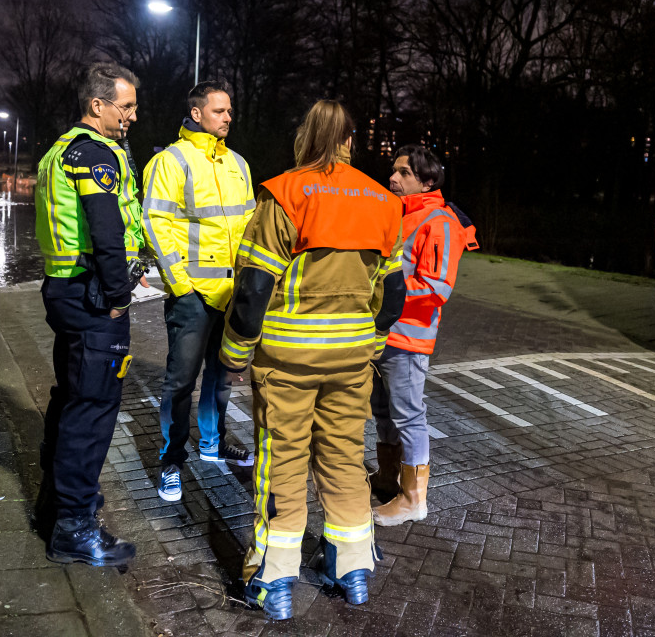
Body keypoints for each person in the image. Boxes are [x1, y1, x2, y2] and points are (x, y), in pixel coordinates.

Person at [219, 100, 406, 621]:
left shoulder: (285, 194)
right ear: (348, 141)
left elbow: (254, 287)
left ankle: (274, 578)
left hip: (288, 360)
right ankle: (352, 571)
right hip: (351, 359)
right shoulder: (383, 201)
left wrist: (234, 350)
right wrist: (371, 341)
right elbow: (391, 296)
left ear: (305, 138)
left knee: (281, 462)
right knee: (346, 458)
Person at [33, 62, 144, 568]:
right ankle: (75, 528)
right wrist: (120, 294)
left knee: (70, 401)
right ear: (97, 105)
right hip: (94, 298)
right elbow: (105, 231)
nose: (132, 117)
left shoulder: (59, 151)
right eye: (126, 106)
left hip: (65, 290)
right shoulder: (95, 155)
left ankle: (55, 510)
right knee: (92, 411)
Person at [142, 80, 256, 503]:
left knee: (222, 377)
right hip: (193, 295)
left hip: (231, 291)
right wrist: (180, 285)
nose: (228, 117)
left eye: (229, 111)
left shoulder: (238, 164)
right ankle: (171, 461)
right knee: (180, 381)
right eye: (219, 111)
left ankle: (213, 443)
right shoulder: (171, 161)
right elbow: (155, 223)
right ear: (196, 113)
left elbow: (249, 226)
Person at [369, 145, 477, 527]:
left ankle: (414, 500)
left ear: (426, 180)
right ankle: (387, 478)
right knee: (383, 411)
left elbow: (436, 288)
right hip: (385, 333)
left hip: (408, 338)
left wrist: (380, 291)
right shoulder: (404, 215)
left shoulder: (440, 222)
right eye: (393, 171)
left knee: (409, 416)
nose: (393, 178)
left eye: (403, 173)